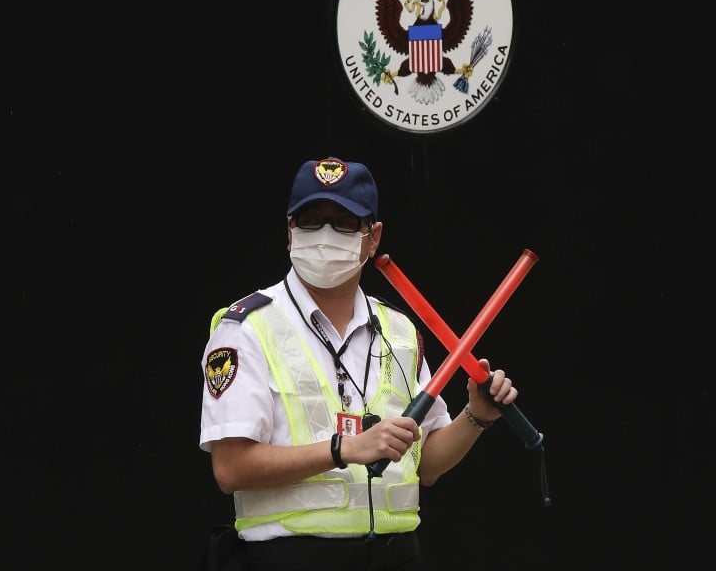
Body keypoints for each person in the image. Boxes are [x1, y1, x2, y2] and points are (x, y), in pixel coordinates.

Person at [199, 155, 519, 571]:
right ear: (290, 231)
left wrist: (476, 416)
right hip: (291, 558)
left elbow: (426, 466)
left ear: (373, 237)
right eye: (311, 220)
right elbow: (230, 468)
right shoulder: (247, 328)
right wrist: (346, 449)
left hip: (397, 555)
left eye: (345, 222)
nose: (325, 235)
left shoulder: (400, 331)